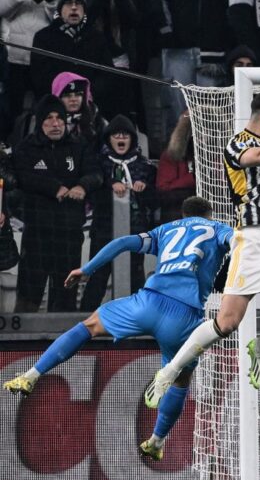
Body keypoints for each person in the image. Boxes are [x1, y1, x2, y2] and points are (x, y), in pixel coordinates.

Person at [4, 196, 231, 461]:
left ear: (182, 214)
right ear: (210, 213)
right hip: (185, 318)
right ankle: (156, 441)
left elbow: (122, 242)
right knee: (180, 379)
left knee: (88, 326)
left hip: (147, 303)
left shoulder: (167, 230)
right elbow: (240, 243)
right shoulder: (217, 228)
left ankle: (31, 375)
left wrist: (87, 269)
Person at [145, 91, 260, 409]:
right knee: (228, 322)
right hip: (255, 238)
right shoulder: (238, 143)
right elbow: (259, 159)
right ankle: (168, 371)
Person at [13, 94, 101, 312]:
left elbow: (96, 173)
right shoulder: (27, 148)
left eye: (59, 119)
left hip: (69, 231)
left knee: (65, 291)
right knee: (29, 291)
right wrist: (53, 188)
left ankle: (62, 339)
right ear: (40, 122)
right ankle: (22, 340)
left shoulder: (78, 146)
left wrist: (82, 185)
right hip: (37, 233)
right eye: (49, 119)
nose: (55, 124)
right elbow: (22, 177)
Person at [80, 114, 156, 310]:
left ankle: (137, 316)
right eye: (116, 135)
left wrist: (144, 185)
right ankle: (86, 318)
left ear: (132, 139)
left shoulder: (144, 165)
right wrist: (111, 183)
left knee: (135, 274)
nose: (121, 138)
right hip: (103, 229)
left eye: (125, 135)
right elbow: (94, 183)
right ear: (108, 139)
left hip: (135, 229)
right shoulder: (99, 163)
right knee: (98, 275)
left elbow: (154, 197)